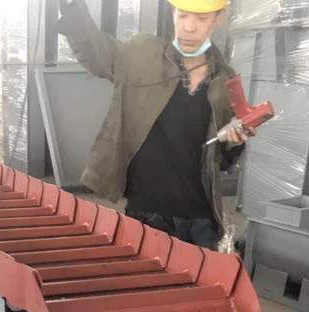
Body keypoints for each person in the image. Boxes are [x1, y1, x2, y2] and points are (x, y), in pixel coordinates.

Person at [57, 0, 250, 250]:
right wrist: (72, 7)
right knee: (141, 273)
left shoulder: (226, 80)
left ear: (219, 18)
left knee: (202, 275)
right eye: (183, 16)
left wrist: (236, 141)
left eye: (201, 19)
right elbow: (98, 54)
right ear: (173, 12)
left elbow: (222, 160)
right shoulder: (142, 54)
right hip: (146, 209)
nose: (189, 27)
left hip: (200, 217)